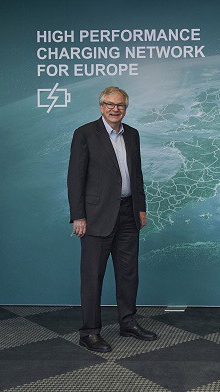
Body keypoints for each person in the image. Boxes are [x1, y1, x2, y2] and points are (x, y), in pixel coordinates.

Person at [68, 86, 156, 353]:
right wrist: (78, 216)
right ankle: (90, 332)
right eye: (110, 104)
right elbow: (75, 178)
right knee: (92, 277)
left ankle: (127, 323)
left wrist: (141, 208)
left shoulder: (133, 134)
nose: (115, 109)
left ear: (126, 109)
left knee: (128, 273)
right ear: (101, 106)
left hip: (129, 213)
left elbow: (136, 175)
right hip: (96, 217)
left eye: (120, 105)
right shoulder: (85, 134)